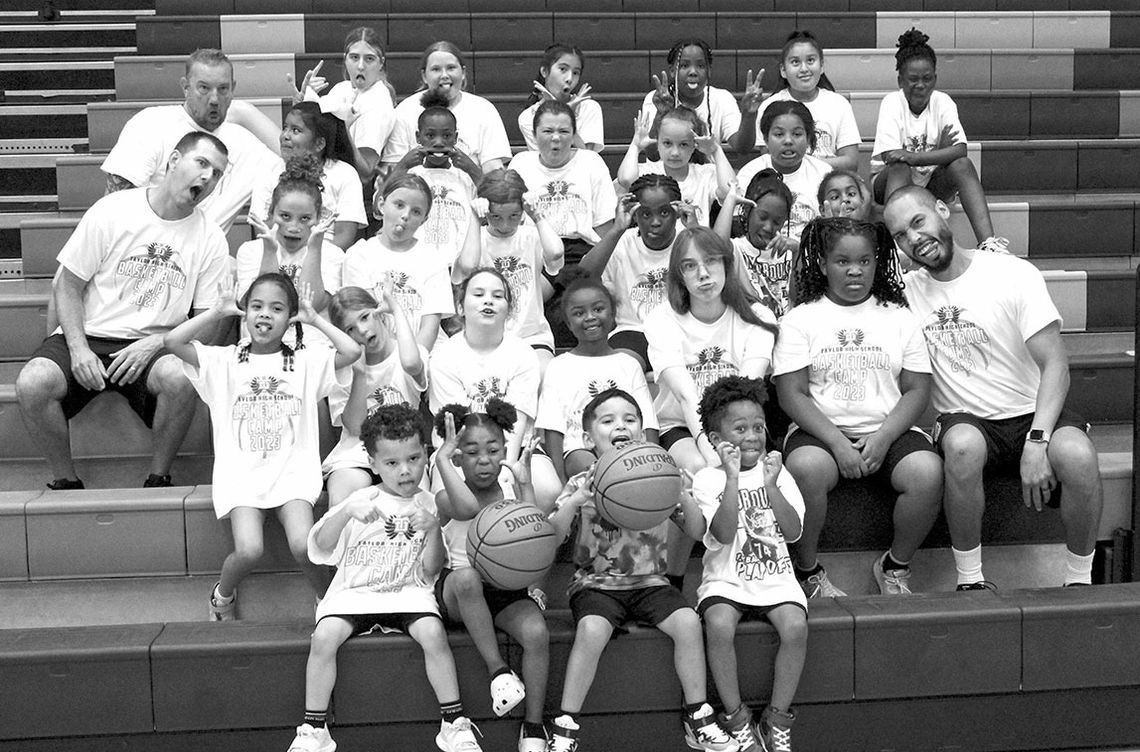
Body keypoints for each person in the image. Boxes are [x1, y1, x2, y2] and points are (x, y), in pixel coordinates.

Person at [883, 186, 1104, 589]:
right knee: (964, 445)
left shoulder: (1012, 273)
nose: (914, 239)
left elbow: (1056, 363)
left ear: (942, 209)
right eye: (901, 235)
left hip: (1029, 414)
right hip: (967, 421)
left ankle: (1079, 581)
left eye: (918, 222)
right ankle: (970, 580)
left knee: (1078, 454)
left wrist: (1037, 442)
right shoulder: (905, 294)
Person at [16, 131, 231, 491]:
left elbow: (208, 324)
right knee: (32, 382)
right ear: (175, 161)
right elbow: (67, 285)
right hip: (91, 334)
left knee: (181, 377)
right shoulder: (113, 210)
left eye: (217, 173)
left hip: (154, 346)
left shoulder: (211, 239)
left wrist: (157, 342)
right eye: (202, 163)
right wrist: (79, 348)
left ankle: (158, 478)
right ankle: (65, 480)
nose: (208, 176)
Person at [543, 388, 736, 752]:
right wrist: (576, 502)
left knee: (689, 623)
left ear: (643, 432)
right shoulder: (582, 480)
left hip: (651, 582)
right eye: (609, 420)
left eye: (630, 419)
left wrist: (681, 495)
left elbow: (696, 531)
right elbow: (552, 538)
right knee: (591, 629)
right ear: (588, 438)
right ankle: (566, 725)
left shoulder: (664, 476)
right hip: (596, 583)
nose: (621, 426)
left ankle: (698, 716)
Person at [287, 404, 483, 752]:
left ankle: (453, 723)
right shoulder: (360, 500)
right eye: (392, 463)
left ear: (425, 454)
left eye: (413, 459)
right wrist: (345, 512)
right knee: (324, 637)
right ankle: (313, 729)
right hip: (354, 596)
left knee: (433, 632)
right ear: (373, 463)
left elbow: (431, 570)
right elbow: (317, 547)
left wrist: (435, 530)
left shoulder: (430, 504)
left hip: (408, 595)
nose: (405, 471)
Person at [164, 272, 361, 619]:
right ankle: (222, 596)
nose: (265, 314)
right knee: (250, 550)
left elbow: (351, 350)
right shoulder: (223, 360)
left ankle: (327, 600)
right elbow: (172, 342)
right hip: (241, 478)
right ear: (245, 312)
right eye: (256, 306)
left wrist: (315, 319)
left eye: (277, 308)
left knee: (305, 545)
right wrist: (215, 312)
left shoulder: (304, 361)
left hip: (292, 476)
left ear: (290, 318)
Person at [774, 217, 942, 598]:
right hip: (821, 431)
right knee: (805, 469)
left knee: (927, 472)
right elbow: (791, 394)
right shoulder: (801, 319)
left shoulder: (899, 317)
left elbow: (917, 390)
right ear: (822, 264)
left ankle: (895, 567)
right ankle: (807, 571)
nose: (855, 270)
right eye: (842, 261)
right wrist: (836, 443)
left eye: (865, 261)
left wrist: (883, 438)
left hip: (886, 427)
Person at [644, 227, 778, 590]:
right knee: (700, 471)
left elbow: (745, 394)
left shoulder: (756, 316)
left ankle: (756, 573)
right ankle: (672, 578)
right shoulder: (661, 318)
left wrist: (731, 445)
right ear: (679, 276)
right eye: (689, 266)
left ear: (727, 265)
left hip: (741, 425)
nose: (703, 274)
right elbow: (687, 397)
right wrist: (713, 449)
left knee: (755, 472)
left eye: (711, 262)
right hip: (681, 427)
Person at [693, 375, 807, 752]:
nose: (753, 436)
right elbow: (723, 534)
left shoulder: (778, 472)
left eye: (758, 427)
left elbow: (792, 533)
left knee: (794, 627)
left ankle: (777, 718)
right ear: (715, 439)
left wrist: (771, 487)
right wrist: (730, 479)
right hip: (726, 580)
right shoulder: (707, 480)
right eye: (740, 428)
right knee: (719, 623)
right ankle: (736, 716)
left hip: (775, 578)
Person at [432, 401, 551, 752]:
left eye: (493, 450)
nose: (483, 459)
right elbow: (468, 509)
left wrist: (525, 482)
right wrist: (439, 460)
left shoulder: (512, 493)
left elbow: (538, 536)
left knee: (537, 633)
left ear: (504, 451)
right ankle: (498, 671)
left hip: (504, 588)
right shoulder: (444, 495)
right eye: (471, 452)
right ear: (457, 458)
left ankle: (533, 727)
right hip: (458, 590)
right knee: (468, 577)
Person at [101, 48, 279, 232]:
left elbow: (298, 158)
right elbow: (113, 206)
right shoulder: (150, 123)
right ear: (186, 87)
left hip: (205, 254)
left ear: (233, 89)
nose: (214, 99)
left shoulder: (247, 142)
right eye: (204, 88)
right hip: (143, 246)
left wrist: (305, 106)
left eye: (223, 89)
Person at [871, 28, 1006, 254]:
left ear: (935, 78)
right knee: (899, 167)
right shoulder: (892, 103)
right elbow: (890, 156)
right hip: (891, 181)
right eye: (913, 79)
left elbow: (960, 150)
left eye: (927, 78)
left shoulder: (943, 102)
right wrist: (935, 155)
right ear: (900, 81)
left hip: (931, 181)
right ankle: (892, 249)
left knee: (963, 165)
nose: (921, 85)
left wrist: (915, 157)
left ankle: (988, 243)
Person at [535, 274, 658, 483]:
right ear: (568, 322)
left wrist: (653, 460)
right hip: (579, 450)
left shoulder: (628, 364)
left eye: (598, 309)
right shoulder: (559, 366)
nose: (590, 317)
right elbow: (552, 429)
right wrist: (560, 480)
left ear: (613, 314)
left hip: (628, 449)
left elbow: (649, 423)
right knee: (592, 467)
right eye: (579, 313)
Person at [322, 284, 427, 507]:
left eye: (365, 317)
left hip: (404, 449)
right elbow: (356, 428)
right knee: (343, 497)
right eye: (350, 329)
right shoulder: (340, 367)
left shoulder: (410, 352)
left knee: (417, 503)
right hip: (358, 450)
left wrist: (396, 310)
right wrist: (359, 374)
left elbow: (411, 364)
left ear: (378, 313)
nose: (361, 330)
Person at [578, 174, 697, 371]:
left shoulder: (689, 241)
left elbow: (718, 277)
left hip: (682, 329)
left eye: (665, 213)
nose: (656, 222)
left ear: (677, 212)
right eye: (645, 214)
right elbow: (582, 278)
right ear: (634, 214)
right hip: (633, 331)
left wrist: (694, 230)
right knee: (620, 368)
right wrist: (616, 230)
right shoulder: (621, 242)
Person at [453, 169, 564, 373]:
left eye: (514, 216)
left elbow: (556, 254)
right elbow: (468, 267)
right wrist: (474, 218)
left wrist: (537, 215)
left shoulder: (532, 236)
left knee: (546, 373)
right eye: (496, 217)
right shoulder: (474, 238)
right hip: (483, 338)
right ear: (485, 210)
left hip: (532, 336)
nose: (505, 225)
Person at [237, 156, 343, 350]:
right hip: (261, 348)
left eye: (305, 219)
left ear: (318, 218)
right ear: (271, 213)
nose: (294, 227)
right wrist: (270, 252)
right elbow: (255, 303)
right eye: (285, 216)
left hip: (314, 348)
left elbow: (312, 305)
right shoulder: (250, 251)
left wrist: (314, 249)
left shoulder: (331, 254)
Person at [342, 174, 454, 351]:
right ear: (381, 205)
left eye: (416, 211)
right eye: (399, 205)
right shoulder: (359, 254)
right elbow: (367, 320)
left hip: (426, 352)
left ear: (424, 219)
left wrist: (416, 361)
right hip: (378, 352)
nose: (405, 215)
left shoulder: (433, 257)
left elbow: (430, 326)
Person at [248, 102, 367, 250]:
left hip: (326, 257)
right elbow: (261, 227)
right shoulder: (268, 171)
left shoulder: (345, 174)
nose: (285, 135)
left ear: (319, 144)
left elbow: (344, 235)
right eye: (285, 127)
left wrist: (314, 258)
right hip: (277, 255)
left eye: (295, 130)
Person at [383, 41, 511, 174]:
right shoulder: (405, 111)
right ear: (424, 76)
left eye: (451, 68)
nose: (444, 75)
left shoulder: (484, 110)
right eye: (436, 69)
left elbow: (493, 169)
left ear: (463, 73)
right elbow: (392, 168)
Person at [387, 91, 484, 266]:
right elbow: (379, 206)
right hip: (416, 262)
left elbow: (494, 200)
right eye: (430, 136)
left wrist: (472, 169)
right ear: (418, 137)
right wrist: (402, 166)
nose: (439, 142)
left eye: (446, 136)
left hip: (459, 264)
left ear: (455, 137)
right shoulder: (410, 173)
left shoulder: (465, 174)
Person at [296, 27, 396, 178]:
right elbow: (312, 138)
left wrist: (344, 129)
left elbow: (366, 172)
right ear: (345, 59)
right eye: (354, 57)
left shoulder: (379, 102)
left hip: (345, 185)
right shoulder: (341, 89)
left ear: (381, 63)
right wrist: (302, 104)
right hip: (322, 172)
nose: (361, 66)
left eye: (369, 59)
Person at [736, 100, 831, 255]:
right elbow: (740, 227)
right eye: (779, 134)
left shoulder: (824, 173)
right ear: (766, 139)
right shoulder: (749, 173)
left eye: (797, 134)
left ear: (808, 138)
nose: (788, 141)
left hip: (810, 259)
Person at [757, 31, 860, 173]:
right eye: (795, 62)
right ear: (783, 70)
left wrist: (809, 165)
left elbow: (851, 161)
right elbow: (768, 158)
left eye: (810, 60)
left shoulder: (839, 104)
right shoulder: (769, 106)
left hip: (829, 180)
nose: (804, 69)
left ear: (822, 66)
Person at [640, 38, 763, 154]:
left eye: (700, 66)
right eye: (684, 65)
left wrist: (749, 115)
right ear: (672, 71)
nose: (693, 72)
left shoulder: (723, 99)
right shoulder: (657, 99)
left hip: (708, 174)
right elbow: (652, 154)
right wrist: (660, 114)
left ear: (709, 71)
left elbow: (742, 148)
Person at [617, 107, 734, 226]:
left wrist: (716, 151)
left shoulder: (706, 174)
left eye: (683, 144)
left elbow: (729, 190)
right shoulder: (648, 173)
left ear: (695, 145)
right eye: (667, 143)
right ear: (658, 142)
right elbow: (626, 180)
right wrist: (635, 146)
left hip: (694, 242)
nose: (675, 152)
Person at [714, 170, 795, 319]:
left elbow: (798, 298)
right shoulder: (737, 248)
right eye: (762, 217)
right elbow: (716, 246)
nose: (768, 227)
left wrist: (797, 253)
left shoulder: (792, 250)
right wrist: (730, 201)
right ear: (746, 211)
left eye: (777, 222)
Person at [519, 43, 603, 153]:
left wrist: (568, 116)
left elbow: (589, 159)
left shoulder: (589, 108)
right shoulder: (528, 116)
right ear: (544, 71)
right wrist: (560, 113)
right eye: (563, 69)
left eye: (575, 73)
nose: (569, 78)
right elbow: (549, 158)